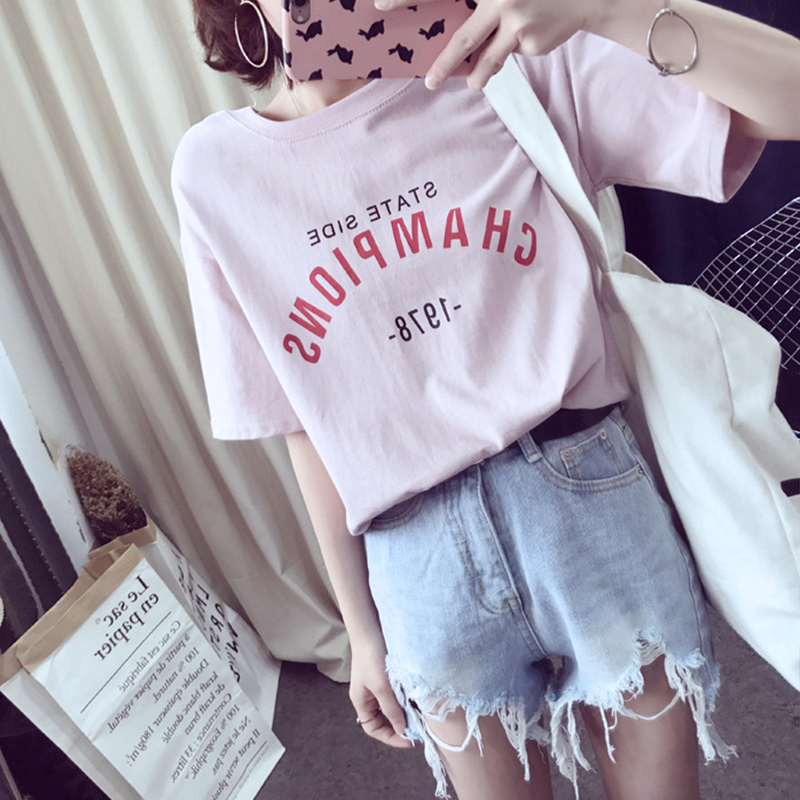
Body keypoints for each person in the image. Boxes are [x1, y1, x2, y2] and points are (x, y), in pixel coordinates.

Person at [171, 1, 800, 798]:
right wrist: (360, 630)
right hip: (420, 566)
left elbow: (788, 98)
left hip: (591, 504)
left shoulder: (507, 69)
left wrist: (602, 8)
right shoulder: (217, 170)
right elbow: (306, 420)